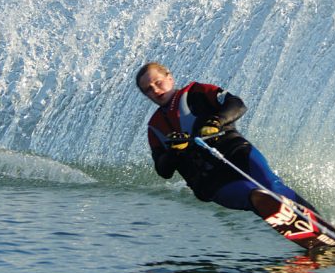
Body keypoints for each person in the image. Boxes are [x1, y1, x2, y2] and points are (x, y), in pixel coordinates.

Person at [135, 61, 314, 213]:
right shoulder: (155, 127)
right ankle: (303, 230)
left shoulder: (198, 92)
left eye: (158, 83)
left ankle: (323, 226)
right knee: (255, 196)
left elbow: (237, 104)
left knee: (273, 186)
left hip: (237, 153)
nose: (155, 91)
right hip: (210, 181)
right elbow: (163, 171)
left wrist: (216, 121)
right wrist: (174, 152)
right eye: (148, 90)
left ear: (169, 78)